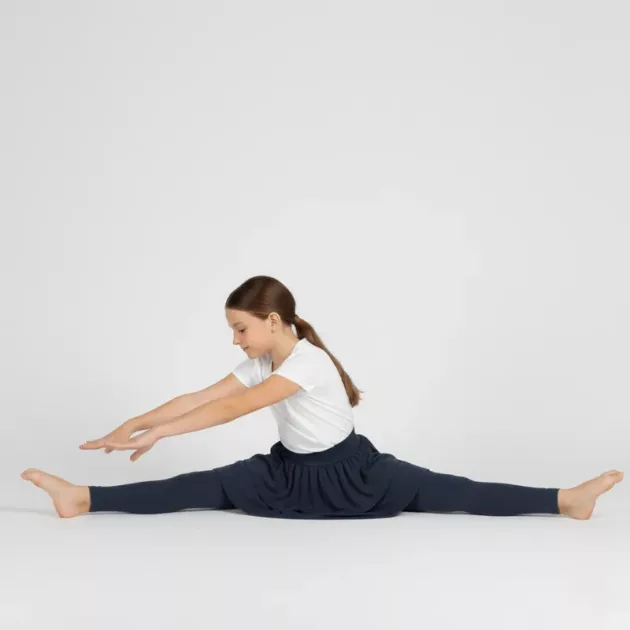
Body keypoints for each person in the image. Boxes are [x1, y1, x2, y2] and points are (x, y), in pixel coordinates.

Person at [21, 275, 623, 520]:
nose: (235, 340)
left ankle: (566, 500)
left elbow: (231, 409)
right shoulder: (265, 360)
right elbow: (203, 395)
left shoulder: (306, 363)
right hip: (286, 474)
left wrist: (161, 434)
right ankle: (83, 498)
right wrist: (136, 421)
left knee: (455, 492)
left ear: (273, 321)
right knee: (198, 487)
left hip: (354, 474)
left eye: (240, 329)